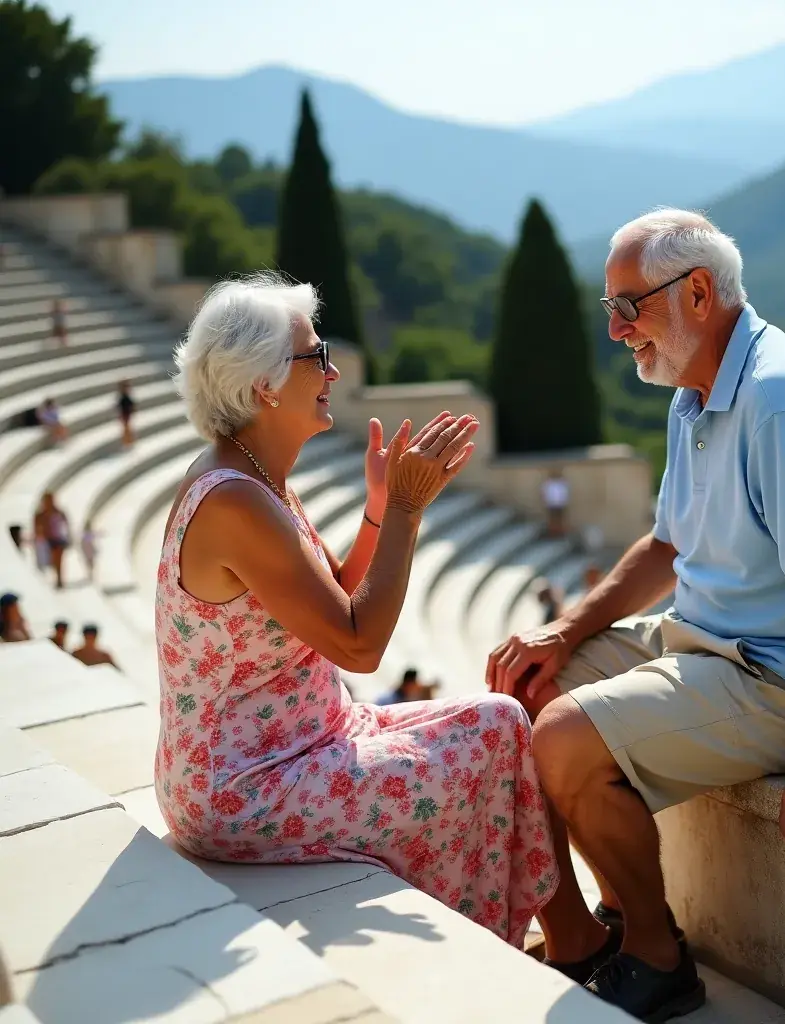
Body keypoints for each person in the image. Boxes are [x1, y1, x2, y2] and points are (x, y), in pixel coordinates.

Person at [487, 209, 785, 1019]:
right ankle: (584, 935)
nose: (616, 332)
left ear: (701, 293)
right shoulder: (699, 391)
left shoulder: (782, 398)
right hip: (721, 645)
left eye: (627, 307)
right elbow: (665, 547)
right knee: (520, 693)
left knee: (565, 740)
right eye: (609, 310)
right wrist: (563, 633)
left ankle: (655, 955)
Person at [155, 273, 559, 951]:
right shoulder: (237, 498)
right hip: (245, 787)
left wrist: (377, 508)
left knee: (504, 718)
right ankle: (535, 946)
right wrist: (404, 509)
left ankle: (558, 940)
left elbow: (330, 600)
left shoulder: (252, 476)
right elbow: (359, 644)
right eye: (317, 356)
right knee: (490, 739)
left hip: (291, 747)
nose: (334, 371)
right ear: (264, 384)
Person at [38, 492, 70, 589]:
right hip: (48, 540)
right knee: (53, 560)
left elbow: (65, 524)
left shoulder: (58, 512)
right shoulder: (41, 514)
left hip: (58, 539)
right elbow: (38, 528)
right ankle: (58, 577)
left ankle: (59, 578)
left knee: (58, 559)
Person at [541, 469, 570, 538]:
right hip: (551, 504)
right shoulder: (548, 483)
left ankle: (559, 531)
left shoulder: (562, 482)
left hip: (560, 504)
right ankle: (552, 532)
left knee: (559, 518)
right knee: (552, 518)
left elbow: (565, 492)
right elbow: (545, 493)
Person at [117, 381, 136, 447]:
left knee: (128, 428)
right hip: (125, 414)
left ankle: (128, 441)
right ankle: (127, 441)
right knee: (126, 428)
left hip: (127, 414)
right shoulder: (123, 398)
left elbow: (131, 404)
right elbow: (120, 406)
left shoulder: (126, 397)